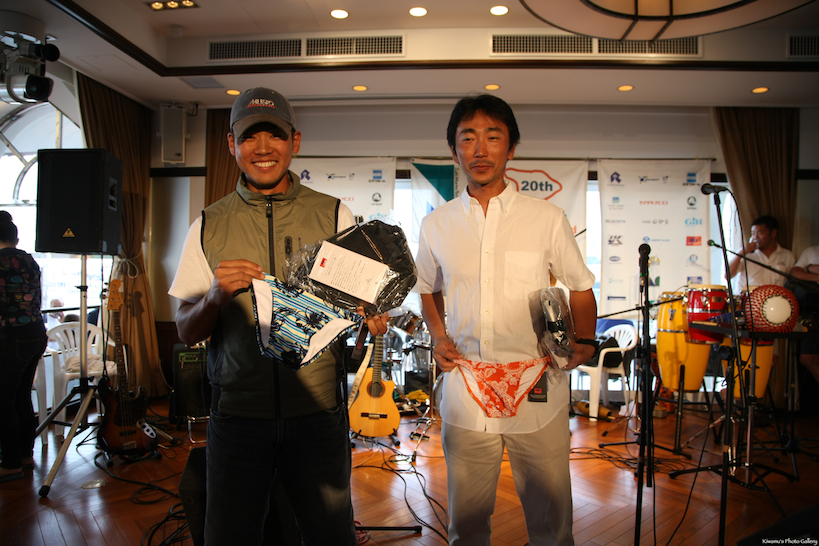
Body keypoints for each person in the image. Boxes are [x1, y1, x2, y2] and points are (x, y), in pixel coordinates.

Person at [169, 87, 386, 545]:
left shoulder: (334, 213)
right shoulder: (208, 223)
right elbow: (186, 329)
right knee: (229, 537)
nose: (263, 147)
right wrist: (213, 298)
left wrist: (369, 315)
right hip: (238, 416)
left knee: (331, 536)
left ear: (295, 142)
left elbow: (359, 306)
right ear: (232, 144)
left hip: (318, 415)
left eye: (275, 135)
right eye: (250, 136)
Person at [416, 94, 597, 545]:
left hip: (538, 384)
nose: (480, 150)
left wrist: (587, 341)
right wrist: (439, 336)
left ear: (511, 148)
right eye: (468, 138)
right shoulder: (437, 224)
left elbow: (580, 286)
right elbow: (427, 287)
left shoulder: (547, 218)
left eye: (493, 137)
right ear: (454, 150)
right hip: (466, 386)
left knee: (552, 523)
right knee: (466, 524)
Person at [0, 211, 48, 483]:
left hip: (12, 335)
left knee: (4, 400)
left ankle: (10, 463)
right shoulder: (29, 260)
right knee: (21, 396)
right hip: (36, 332)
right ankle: (25, 455)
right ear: (15, 238)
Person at [728, 215, 796, 290]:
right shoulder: (745, 253)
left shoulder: (788, 255)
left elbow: (792, 283)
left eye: (760, 233)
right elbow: (728, 275)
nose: (756, 237)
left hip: (776, 296)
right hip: (749, 296)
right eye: (753, 234)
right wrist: (740, 254)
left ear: (773, 233)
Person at [789, 245, 819, 383]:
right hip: (814, 308)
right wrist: (812, 270)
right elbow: (795, 273)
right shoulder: (811, 251)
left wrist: (809, 268)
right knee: (807, 357)